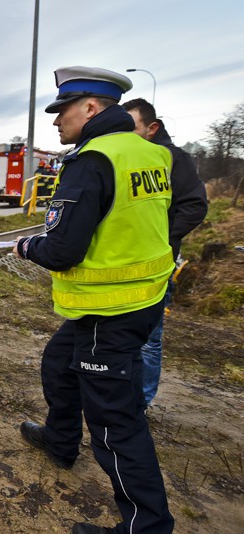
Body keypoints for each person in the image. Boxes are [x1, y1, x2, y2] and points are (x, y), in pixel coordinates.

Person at [14, 66, 175, 534]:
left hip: (112, 309)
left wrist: (26, 246)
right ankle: (60, 442)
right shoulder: (149, 153)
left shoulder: (92, 159)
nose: (55, 121)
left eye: (61, 110)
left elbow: (62, 250)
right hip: (140, 300)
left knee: (115, 424)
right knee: (58, 364)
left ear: (90, 108)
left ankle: (146, 528)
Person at [121, 98, 208, 407]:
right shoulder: (129, 156)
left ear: (152, 127)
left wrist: (158, 238)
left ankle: (139, 403)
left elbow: (195, 206)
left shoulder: (173, 158)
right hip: (125, 262)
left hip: (156, 264)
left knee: (148, 339)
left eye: (131, 127)